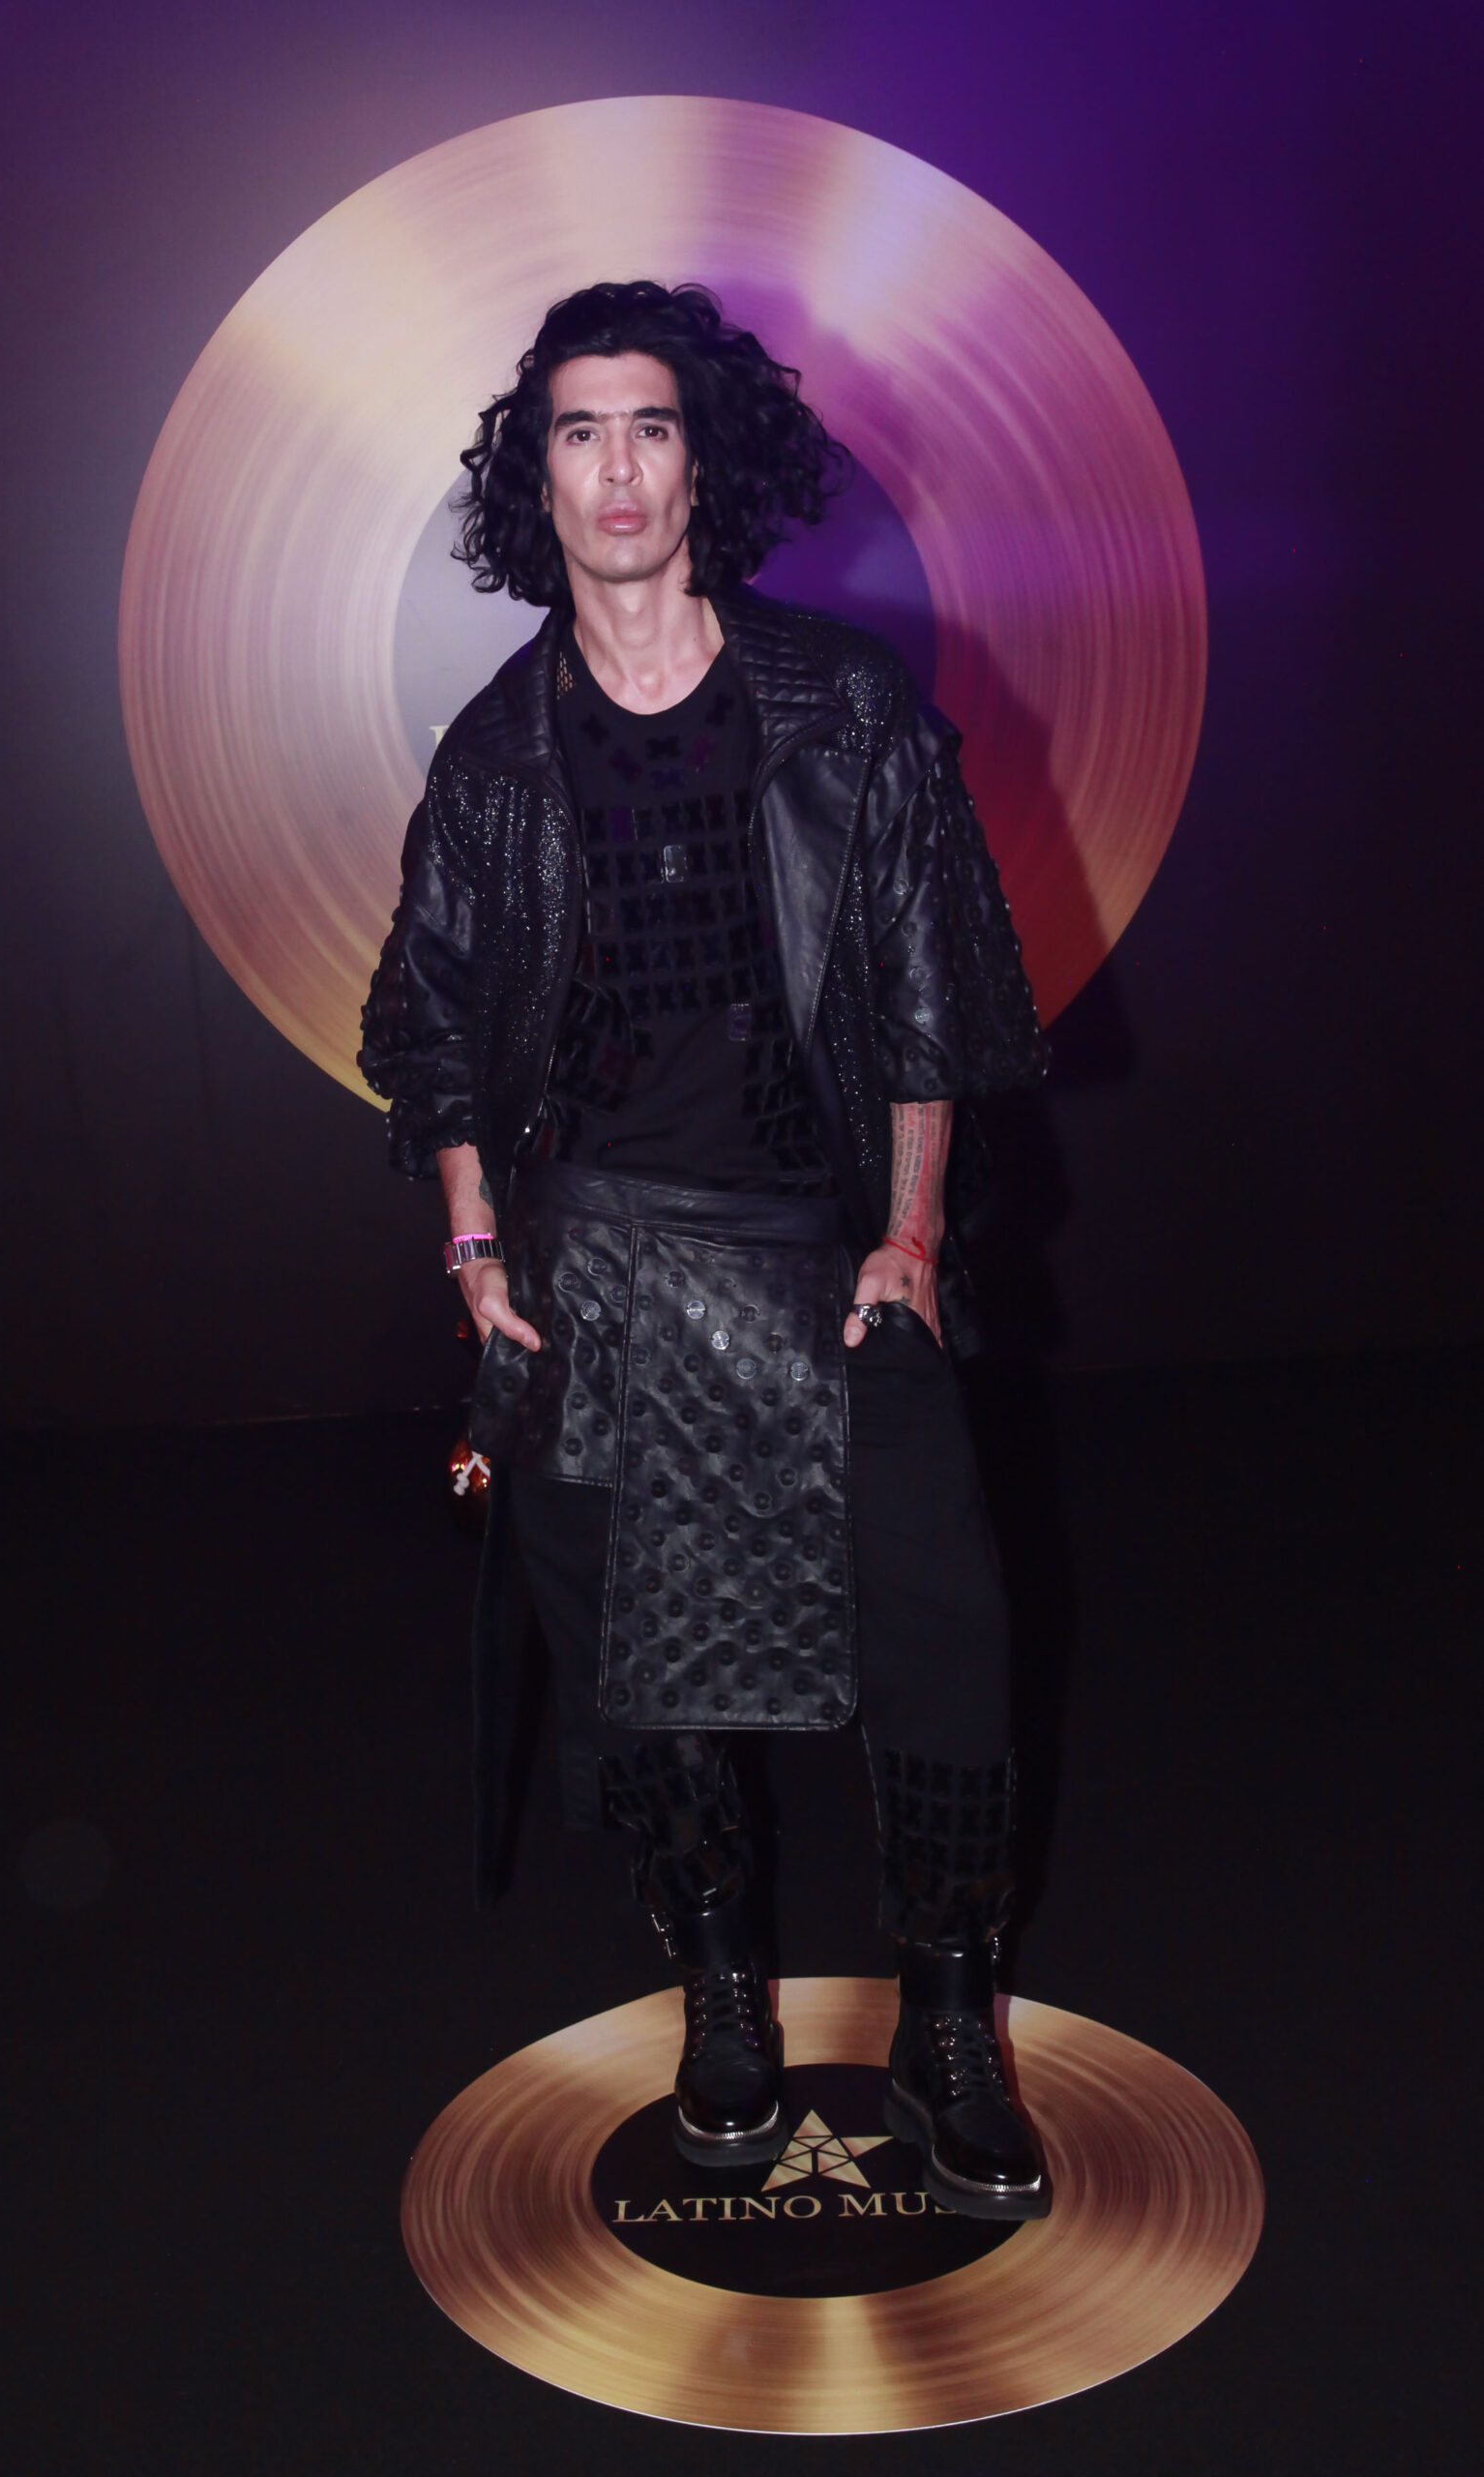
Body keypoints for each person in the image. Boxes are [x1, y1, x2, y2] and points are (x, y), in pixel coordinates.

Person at [360, 282, 1050, 2220]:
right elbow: (429, 1025)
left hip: (822, 1243)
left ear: (700, 462)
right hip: (595, 1258)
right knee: (642, 1671)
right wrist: (476, 1244)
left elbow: (928, 991)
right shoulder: (496, 754)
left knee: (945, 1634)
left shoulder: (843, 704)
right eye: (576, 431)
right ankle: (722, 1990)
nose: (615, 469)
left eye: (649, 426)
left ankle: (947, 2012)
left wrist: (909, 1230)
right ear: (538, 477)